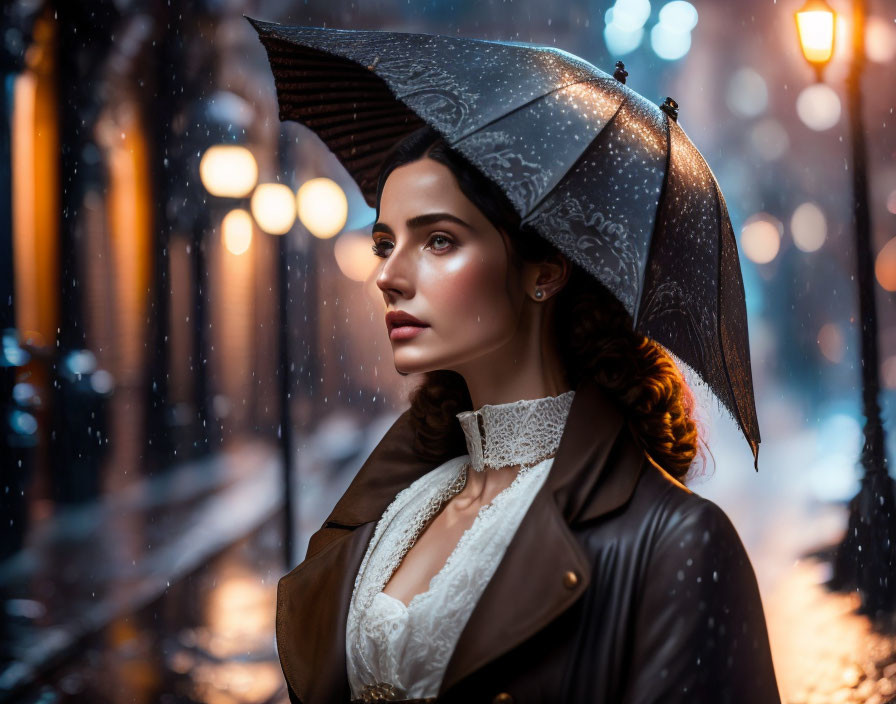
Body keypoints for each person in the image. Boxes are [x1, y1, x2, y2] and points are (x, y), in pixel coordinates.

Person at [275, 126, 781, 704]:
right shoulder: (401, 505)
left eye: (438, 241)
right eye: (385, 244)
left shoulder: (677, 542)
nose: (388, 276)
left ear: (545, 270)